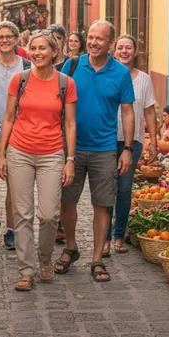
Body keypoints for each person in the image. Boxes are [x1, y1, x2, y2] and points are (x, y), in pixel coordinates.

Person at [0, 30, 77, 291]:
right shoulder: (19, 80)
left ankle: (44, 257)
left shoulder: (65, 83)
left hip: (52, 153)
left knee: (50, 214)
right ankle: (26, 269)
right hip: (19, 151)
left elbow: (70, 123)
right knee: (22, 214)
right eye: (34, 48)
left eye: (43, 48)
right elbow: (8, 117)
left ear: (54, 52)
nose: (38, 53)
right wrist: (1, 154)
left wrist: (70, 159)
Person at [56, 21, 135, 283]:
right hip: (73, 149)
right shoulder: (73, 66)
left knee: (102, 204)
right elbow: (58, 104)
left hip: (104, 149)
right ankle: (70, 246)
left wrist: (126, 149)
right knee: (67, 201)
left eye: (100, 39)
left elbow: (127, 111)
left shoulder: (120, 73)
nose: (93, 43)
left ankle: (98, 258)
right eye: (90, 37)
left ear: (110, 43)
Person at [0, 21, 30, 250]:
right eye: (0, 36)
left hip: (19, 132)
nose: (5, 40)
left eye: (9, 36)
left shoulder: (27, 65)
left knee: (14, 183)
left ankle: (11, 228)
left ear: (17, 39)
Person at [108, 35, 157, 254]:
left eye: (128, 48)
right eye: (120, 48)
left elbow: (149, 111)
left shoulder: (144, 79)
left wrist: (153, 141)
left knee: (125, 188)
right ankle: (105, 237)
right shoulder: (107, 74)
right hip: (107, 139)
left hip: (132, 140)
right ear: (114, 50)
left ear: (135, 51)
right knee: (107, 189)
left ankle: (118, 234)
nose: (124, 51)